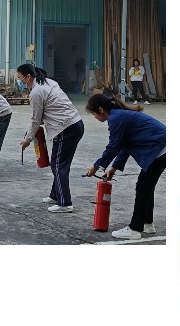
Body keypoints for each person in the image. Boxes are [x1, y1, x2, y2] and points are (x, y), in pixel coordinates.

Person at [84, 94, 165, 239]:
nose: (95, 117)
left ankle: (134, 228)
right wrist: (114, 167)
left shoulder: (116, 119)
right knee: (146, 186)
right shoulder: (119, 116)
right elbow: (124, 146)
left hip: (160, 148)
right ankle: (147, 223)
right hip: (161, 147)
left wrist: (96, 166)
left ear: (101, 110)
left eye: (93, 113)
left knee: (143, 187)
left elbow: (113, 147)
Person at [15, 64, 84, 213]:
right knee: (60, 164)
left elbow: (35, 120)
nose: (19, 81)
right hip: (75, 124)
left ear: (28, 77)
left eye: (20, 78)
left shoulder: (36, 93)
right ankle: (55, 195)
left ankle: (65, 203)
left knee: (58, 165)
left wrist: (27, 139)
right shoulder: (48, 82)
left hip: (65, 128)